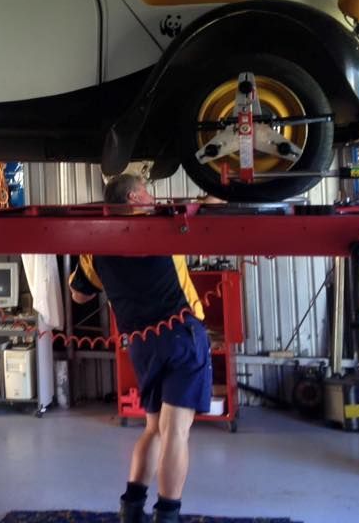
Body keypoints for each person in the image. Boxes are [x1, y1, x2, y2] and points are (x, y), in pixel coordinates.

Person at [68, 174, 212, 523]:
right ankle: (167, 515)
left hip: (142, 346)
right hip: (181, 337)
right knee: (176, 431)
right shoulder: (162, 224)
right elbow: (210, 209)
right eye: (146, 191)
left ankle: (131, 509)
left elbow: (79, 294)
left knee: (154, 429)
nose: (152, 197)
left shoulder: (94, 245)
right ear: (133, 197)